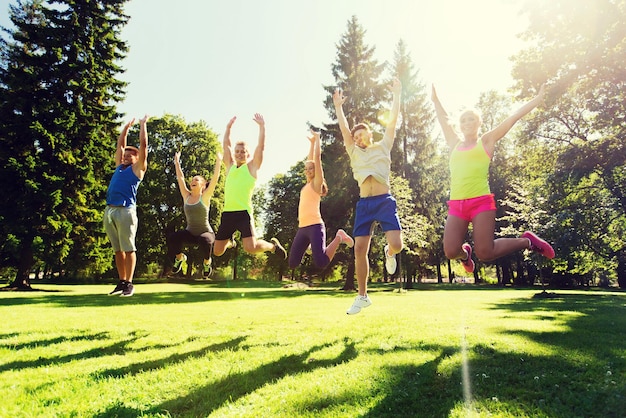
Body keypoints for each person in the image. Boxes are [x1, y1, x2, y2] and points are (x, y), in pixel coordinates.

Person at [430, 83, 555, 274]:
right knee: (450, 251)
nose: (467, 123)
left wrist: (537, 100)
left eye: (471, 119)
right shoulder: (454, 143)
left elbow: (512, 118)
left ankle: (527, 241)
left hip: (480, 202)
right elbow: (444, 119)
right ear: (460, 125)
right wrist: (436, 100)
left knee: (486, 253)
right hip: (457, 204)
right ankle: (465, 255)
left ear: (478, 123)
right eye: (463, 120)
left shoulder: (486, 141)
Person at [333, 78, 404, 315]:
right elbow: (344, 129)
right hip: (365, 204)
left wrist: (396, 95)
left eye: (363, 135)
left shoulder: (383, 146)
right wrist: (338, 107)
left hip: (384, 202)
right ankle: (362, 296)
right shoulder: (353, 152)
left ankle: (389, 252)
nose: (359, 138)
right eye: (356, 136)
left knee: (397, 244)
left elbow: (392, 123)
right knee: (359, 249)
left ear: (370, 135)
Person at [213, 114, 287, 259]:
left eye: (243, 152)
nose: (240, 154)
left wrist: (262, 127)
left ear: (248, 154)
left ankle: (272, 246)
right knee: (217, 251)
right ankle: (230, 243)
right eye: (237, 151)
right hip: (227, 213)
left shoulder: (252, 167)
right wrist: (228, 128)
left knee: (251, 248)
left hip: (243, 213)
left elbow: (261, 147)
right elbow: (226, 145)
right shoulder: (230, 167)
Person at [288, 129, 354, 271]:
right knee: (293, 262)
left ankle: (339, 237)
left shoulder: (316, 184)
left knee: (321, 262)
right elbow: (310, 160)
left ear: (316, 171)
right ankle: (311, 244)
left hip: (315, 227)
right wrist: (311, 144)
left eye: (311, 169)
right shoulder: (307, 183)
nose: (308, 171)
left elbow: (316, 159)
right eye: (306, 169)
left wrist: (318, 139)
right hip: (303, 228)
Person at [105, 115, 149, 297]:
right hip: (110, 210)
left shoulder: (138, 169)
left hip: (126, 211)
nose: (126, 155)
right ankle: (121, 282)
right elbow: (120, 145)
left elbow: (144, 146)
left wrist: (142, 125)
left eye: (131, 154)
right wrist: (125, 129)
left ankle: (129, 283)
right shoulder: (119, 167)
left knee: (129, 248)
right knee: (117, 250)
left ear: (137, 158)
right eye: (125, 154)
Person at [166, 150, 222, 278]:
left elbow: (215, 179)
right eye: (192, 179)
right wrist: (176, 162)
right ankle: (180, 258)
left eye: (196, 180)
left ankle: (207, 262)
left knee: (205, 240)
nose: (193, 181)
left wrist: (218, 161)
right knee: (173, 237)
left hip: (205, 232)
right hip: (190, 233)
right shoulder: (186, 195)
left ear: (202, 185)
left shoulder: (205, 197)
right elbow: (180, 178)